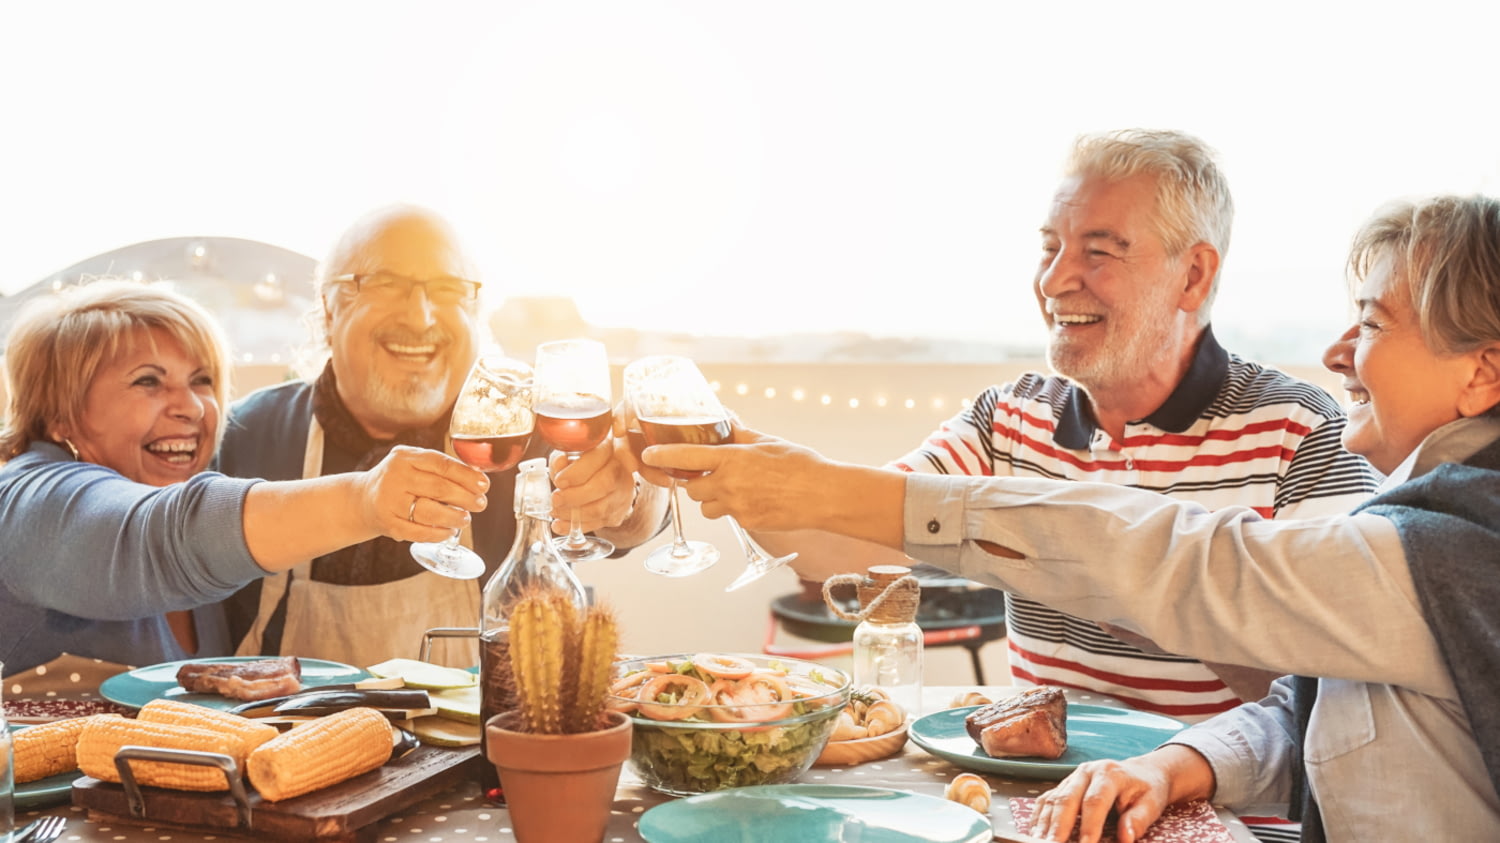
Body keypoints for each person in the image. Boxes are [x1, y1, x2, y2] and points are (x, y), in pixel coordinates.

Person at [647, 194, 1500, 840]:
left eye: (1373, 321)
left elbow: (1211, 578)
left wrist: (1130, 562)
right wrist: (1179, 763)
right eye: (1051, 247)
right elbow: (1324, 705)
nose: (1338, 350)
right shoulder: (1012, 411)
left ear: (1481, 374)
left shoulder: (1449, 543)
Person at [717, 129, 1379, 723]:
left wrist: (1129, 583)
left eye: (1099, 252)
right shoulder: (1010, 417)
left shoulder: (1303, 432)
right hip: (1043, 795)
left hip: (1230, 807)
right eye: (1050, 247)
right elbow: (852, 548)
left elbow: (1332, 690)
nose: (1055, 279)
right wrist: (726, 465)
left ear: (1193, 274)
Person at [213, 204, 667, 668]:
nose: (421, 317)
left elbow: (634, 526)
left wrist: (629, 497)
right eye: (386, 284)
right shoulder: (249, 433)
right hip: (290, 732)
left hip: (483, 735)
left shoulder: (520, 422)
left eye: (448, 289)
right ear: (329, 310)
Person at [0, 279, 489, 674]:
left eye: (202, 380)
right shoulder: (29, 502)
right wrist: (364, 499)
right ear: (59, 415)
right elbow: (163, 534)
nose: (191, 407)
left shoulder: (193, 479)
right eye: (148, 381)